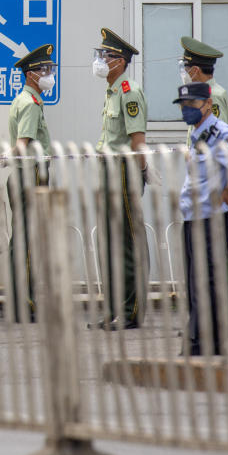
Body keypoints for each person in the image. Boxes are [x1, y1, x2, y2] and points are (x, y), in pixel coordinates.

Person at [174, 82, 228, 356]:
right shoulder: (198, 134)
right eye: (183, 105)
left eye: (192, 104)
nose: (186, 110)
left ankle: (200, 339)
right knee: (197, 279)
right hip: (193, 215)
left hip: (211, 217)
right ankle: (209, 339)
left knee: (205, 279)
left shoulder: (219, 132)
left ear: (207, 104)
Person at [91, 28, 150, 330]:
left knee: (127, 242)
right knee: (110, 241)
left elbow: (136, 140)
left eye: (106, 55)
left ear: (120, 61)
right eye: (100, 54)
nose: (101, 60)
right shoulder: (112, 91)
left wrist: (139, 175)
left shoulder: (129, 91)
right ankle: (115, 308)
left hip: (124, 171)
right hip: (107, 169)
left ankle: (132, 310)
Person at [4, 44, 55, 322]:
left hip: (25, 173)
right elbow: (22, 145)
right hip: (31, 173)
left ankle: (19, 301)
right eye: (44, 70)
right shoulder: (31, 104)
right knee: (28, 240)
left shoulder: (25, 99)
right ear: (31, 74)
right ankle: (26, 303)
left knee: (22, 238)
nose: (49, 74)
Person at [179, 35, 228, 127]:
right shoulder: (202, 93)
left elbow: (216, 136)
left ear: (195, 70)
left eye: (186, 69)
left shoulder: (213, 95)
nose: (184, 74)